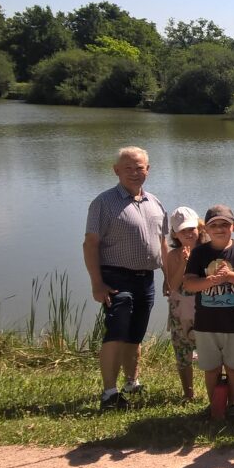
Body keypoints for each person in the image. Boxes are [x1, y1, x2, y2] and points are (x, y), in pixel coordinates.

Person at [83, 146, 168, 410]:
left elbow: (163, 244)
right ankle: (109, 393)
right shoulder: (103, 203)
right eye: (128, 168)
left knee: (135, 335)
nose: (134, 172)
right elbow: (90, 244)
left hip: (146, 279)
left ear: (148, 169)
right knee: (116, 333)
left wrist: (169, 276)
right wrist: (97, 283)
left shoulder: (155, 202)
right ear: (116, 170)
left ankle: (132, 382)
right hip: (116, 278)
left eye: (139, 167)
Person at [181, 205, 234, 419]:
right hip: (206, 324)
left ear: (233, 227)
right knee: (211, 368)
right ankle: (214, 406)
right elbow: (189, 284)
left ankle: (233, 405)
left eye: (224, 225)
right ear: (206, 228)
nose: (219, 229)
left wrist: (231, 276)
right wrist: (209, 281)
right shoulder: (199, 253)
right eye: (214, 225)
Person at [163, 206, 203, 400]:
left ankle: (217, 389)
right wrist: (183, 264)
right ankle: (188, 393)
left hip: (203, 309)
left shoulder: (207, 251)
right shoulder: (172, 255)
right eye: (183, 230)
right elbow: (173, 285)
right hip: (180, 311)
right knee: (182, 353)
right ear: (175, 234)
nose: (188, 233)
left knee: (211, 350)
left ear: (200, 229)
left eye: (192, 229)